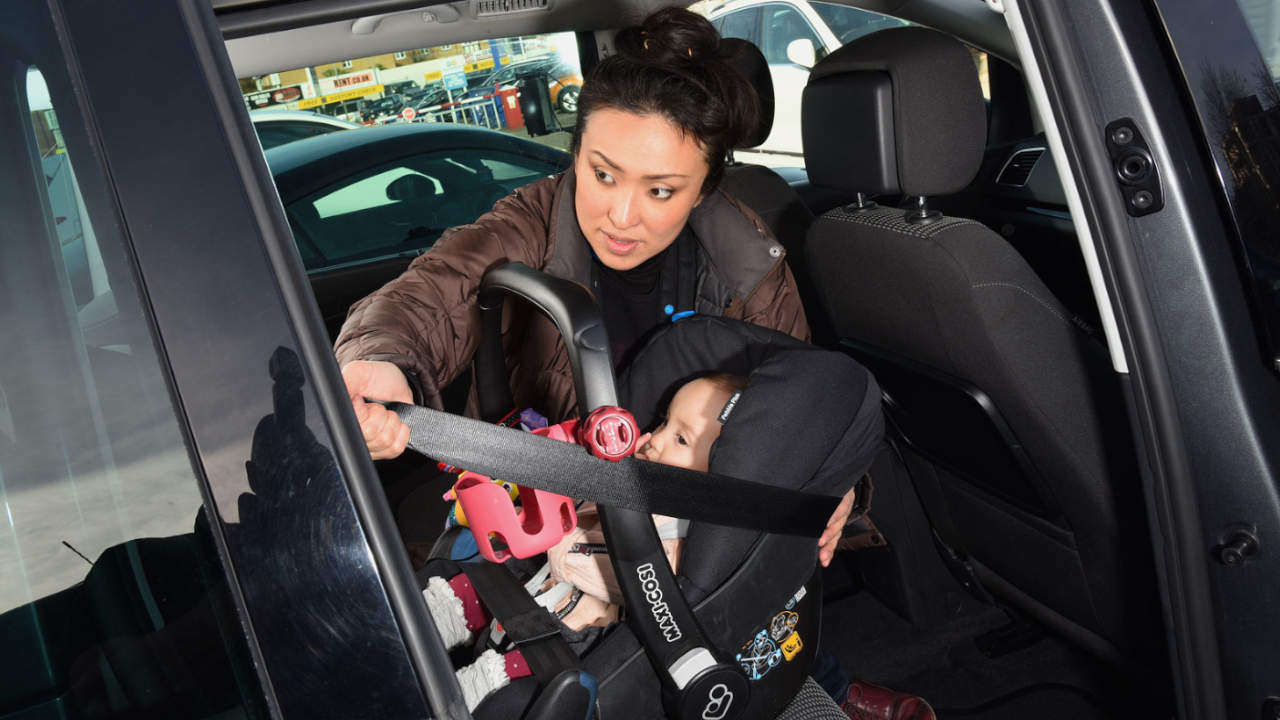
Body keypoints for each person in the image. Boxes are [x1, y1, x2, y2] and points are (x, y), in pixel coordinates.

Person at [334, 6, 854, 565]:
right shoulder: (527, 226)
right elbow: (431, 294)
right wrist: (381, 359)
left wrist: (837, 479)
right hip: (535, 526)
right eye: (603, 174)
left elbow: (807, 402)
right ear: (576, 154)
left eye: (661, 191)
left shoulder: (747, 263)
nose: (621, 217)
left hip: (689, 545)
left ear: (703, 190)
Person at [424, 373, 743, 711]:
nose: (655, 439)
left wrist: (565, 534)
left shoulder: (678, 541)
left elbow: (608, 572)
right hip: (537, 585)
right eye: (663, 423)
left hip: (573, 629)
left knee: (542, 660)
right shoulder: (632, 479)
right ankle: (440, 613)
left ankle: (466, 690)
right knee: (491, 571)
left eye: (680, 439)